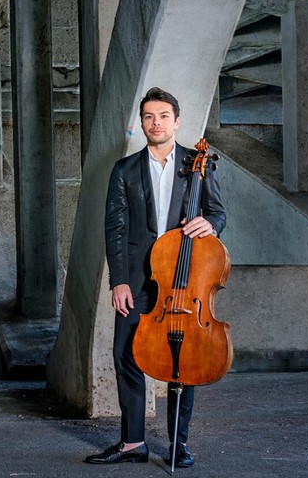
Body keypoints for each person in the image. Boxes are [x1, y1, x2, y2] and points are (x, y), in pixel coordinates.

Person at [85, 87, 226, 468]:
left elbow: (219, 213)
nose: (156, 123)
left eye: (163, 116)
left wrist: (209, 223)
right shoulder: (124, 169)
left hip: (182, 283)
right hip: (136, 280)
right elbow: (114, 228)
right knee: (126, 353)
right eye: (149, 117)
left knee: (185, 361)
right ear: (141, 123)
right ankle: (133, 444)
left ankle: (178, 445)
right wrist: (118, 280)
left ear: (176, 122)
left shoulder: (198, 163)